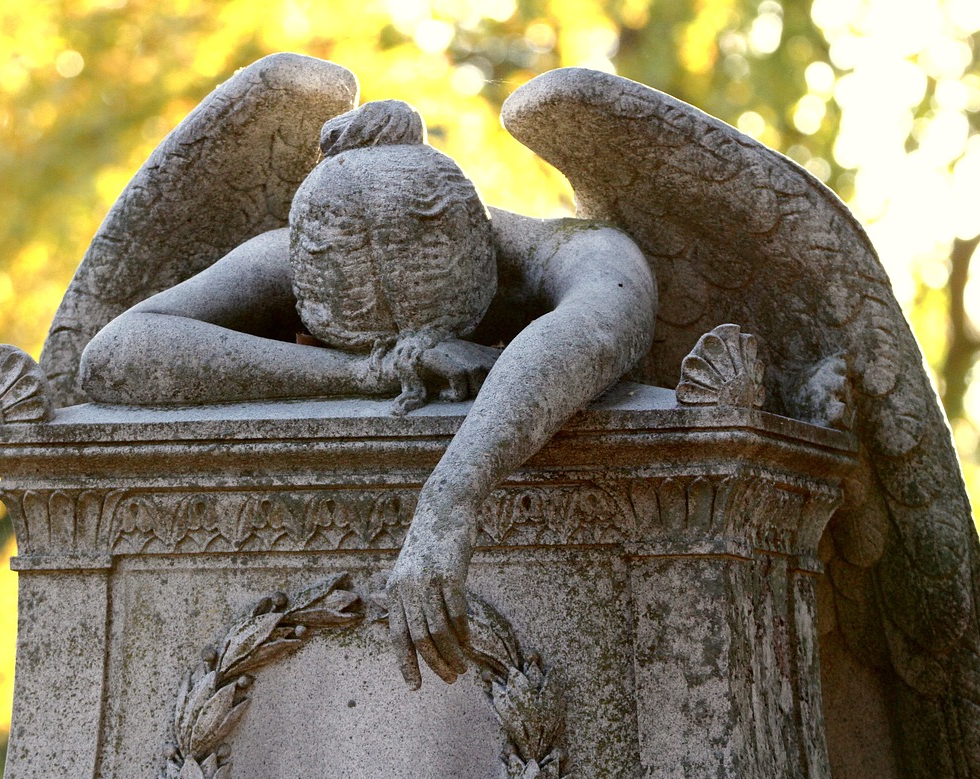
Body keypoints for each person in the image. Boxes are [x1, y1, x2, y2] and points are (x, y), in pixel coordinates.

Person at [80, 204, 656, 690]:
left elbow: (592, 332)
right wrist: (368, 372)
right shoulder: (310, 243)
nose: (407, 350)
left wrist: (450, 501)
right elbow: (114, 357)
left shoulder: (580, 252)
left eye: (424, 337)